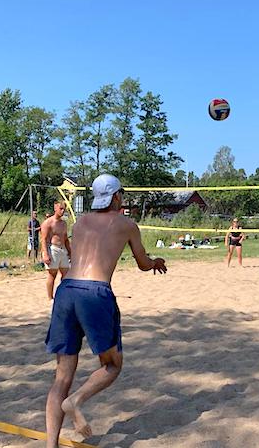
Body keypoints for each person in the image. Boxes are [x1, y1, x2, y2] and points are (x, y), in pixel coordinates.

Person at [45, 174, 167, 448]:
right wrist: (155, 261)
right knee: (112, 365)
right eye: (120, 193)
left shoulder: (82, 221)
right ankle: (75, 401)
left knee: (62, 376)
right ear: (115, 197)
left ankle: (50, 445)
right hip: (95, 293)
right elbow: (143, 263)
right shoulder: (126, 224)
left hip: (67, 291)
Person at [41, 201, 71, 300]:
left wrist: (70, 251)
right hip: (53, 249)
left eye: (64, 209)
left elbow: (65, 238)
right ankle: (50, 297)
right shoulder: (48, 223)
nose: (62, 211)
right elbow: (43, 239)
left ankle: (63, 294)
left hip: (63, 249)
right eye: (61, 209)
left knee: (66, 274)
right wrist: (45, 253)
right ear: (55, 208)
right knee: (52, 274)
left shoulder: (64, 223)